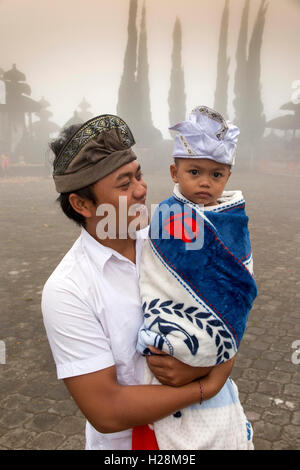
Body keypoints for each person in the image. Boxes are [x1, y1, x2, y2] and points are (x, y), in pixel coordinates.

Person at [41, 114, 235, 451]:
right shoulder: (68, 290)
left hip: (215, 432)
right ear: (82, 204)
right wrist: (206, 385)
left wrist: (222, 360)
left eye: (139, 175)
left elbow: (228, 314)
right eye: (124, 183)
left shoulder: (173, 240)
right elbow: (107, 410)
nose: (142, 189)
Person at [136, 106, 258, 450]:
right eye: (194, 171)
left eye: (216, 175)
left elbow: (240, 283)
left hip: (215, 357)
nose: (205, 182)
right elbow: (157, 274)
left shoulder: (234, 221)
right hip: (167, 344)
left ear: (228, 177)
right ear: (175, 172)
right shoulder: (165, 218)